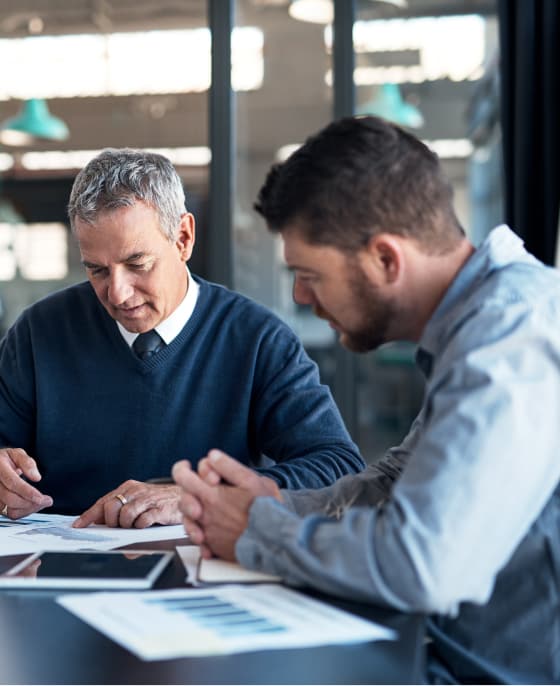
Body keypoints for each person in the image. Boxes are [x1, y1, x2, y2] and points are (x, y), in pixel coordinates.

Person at [172, 115, 560, 684]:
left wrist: (259, 533)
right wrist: (276, 502)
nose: (302, 297)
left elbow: (426, 565)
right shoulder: (477, 323)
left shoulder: (509, 338)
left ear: (386, 259)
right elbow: (398, 481)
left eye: (309, 274)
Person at [0, 148, 364, 528]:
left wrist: (202, 497)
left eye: (137, 264)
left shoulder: (257, 340)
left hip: (203, 568)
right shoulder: (37, 334)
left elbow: (338, 468)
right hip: (58, 567)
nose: (118, 293)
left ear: (183, 239)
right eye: (97, 271)